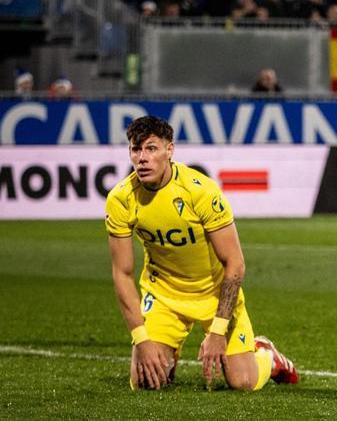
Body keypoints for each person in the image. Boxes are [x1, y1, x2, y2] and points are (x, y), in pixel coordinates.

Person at [105, 116, 299, 391]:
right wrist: (141, 338)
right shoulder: (121, 199)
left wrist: (219, 329)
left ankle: (268, 354)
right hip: (164, 297)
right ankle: (167, 353)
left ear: (169, 150)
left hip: (214, 293)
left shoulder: (200, 191)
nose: (142, 158)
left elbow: (235, 263)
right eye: (136, 150)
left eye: (151, 149)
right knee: (144, 382)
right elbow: (122, 274)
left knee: (243, 382)